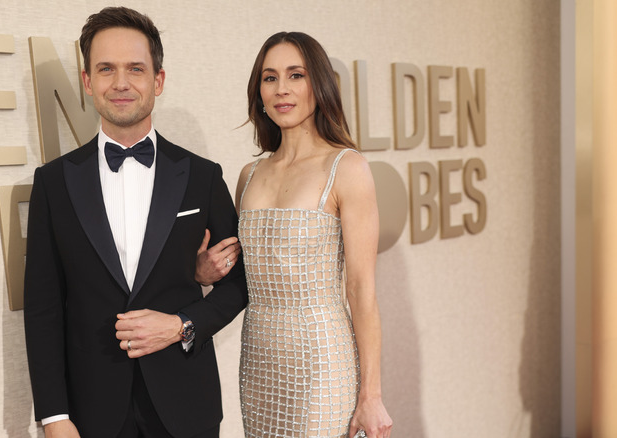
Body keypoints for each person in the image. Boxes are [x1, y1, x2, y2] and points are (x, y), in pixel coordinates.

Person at [23, 7, 247, 438]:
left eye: (135, 69)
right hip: (90, 413)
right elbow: (43, 308)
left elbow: (240, 285)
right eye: (106, 69)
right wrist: (54, 416)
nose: (121, 83)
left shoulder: (202, 176)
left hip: (186, 406)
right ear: (88, 81)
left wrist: (181, 324)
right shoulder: (53, 182)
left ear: (157, 80)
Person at [236, 31, 392, 438]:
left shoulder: (347, 167)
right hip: (259, 362)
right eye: (269, 78)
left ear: (318, 84)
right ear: (259, 92)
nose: (282, 89)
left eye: (296, 75)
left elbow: (361, 289)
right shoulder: (249, 175)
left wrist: (371, 394)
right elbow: (243, 274)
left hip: (321, 359)